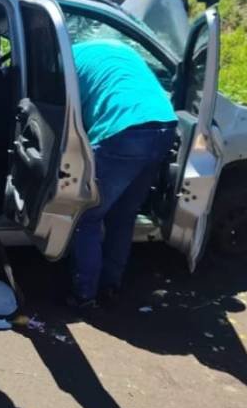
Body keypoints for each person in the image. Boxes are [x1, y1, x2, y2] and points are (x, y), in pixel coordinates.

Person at [68, 40, 177, 309]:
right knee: (123, 215)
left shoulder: (66, 62)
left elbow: (68, 116)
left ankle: (84, 295)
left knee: (87, 216)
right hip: (165, 125)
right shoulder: (116, 48)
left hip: (122, 132)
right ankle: (110, 285)